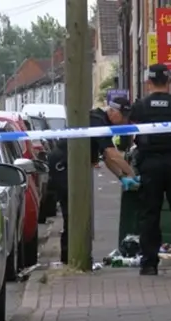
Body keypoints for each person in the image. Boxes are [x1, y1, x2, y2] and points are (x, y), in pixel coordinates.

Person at [48, 97, 139, 264]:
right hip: (64, 166)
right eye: (123, 117)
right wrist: (132, 173)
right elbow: (112, 154)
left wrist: (122, 177)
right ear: (112, 111)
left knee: (78, 210)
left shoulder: (102, 121)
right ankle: (71, 259)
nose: (125, 121)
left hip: (71, 166)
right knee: (73, 212)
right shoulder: (97, 122)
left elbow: (106, 157)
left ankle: (73, 257)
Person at [129, 63, 171, 276]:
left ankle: (149, 264)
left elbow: (133, 136)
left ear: (148, 82)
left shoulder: (140, 106)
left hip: (149, 164)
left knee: (149, 214)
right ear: (169, 81)